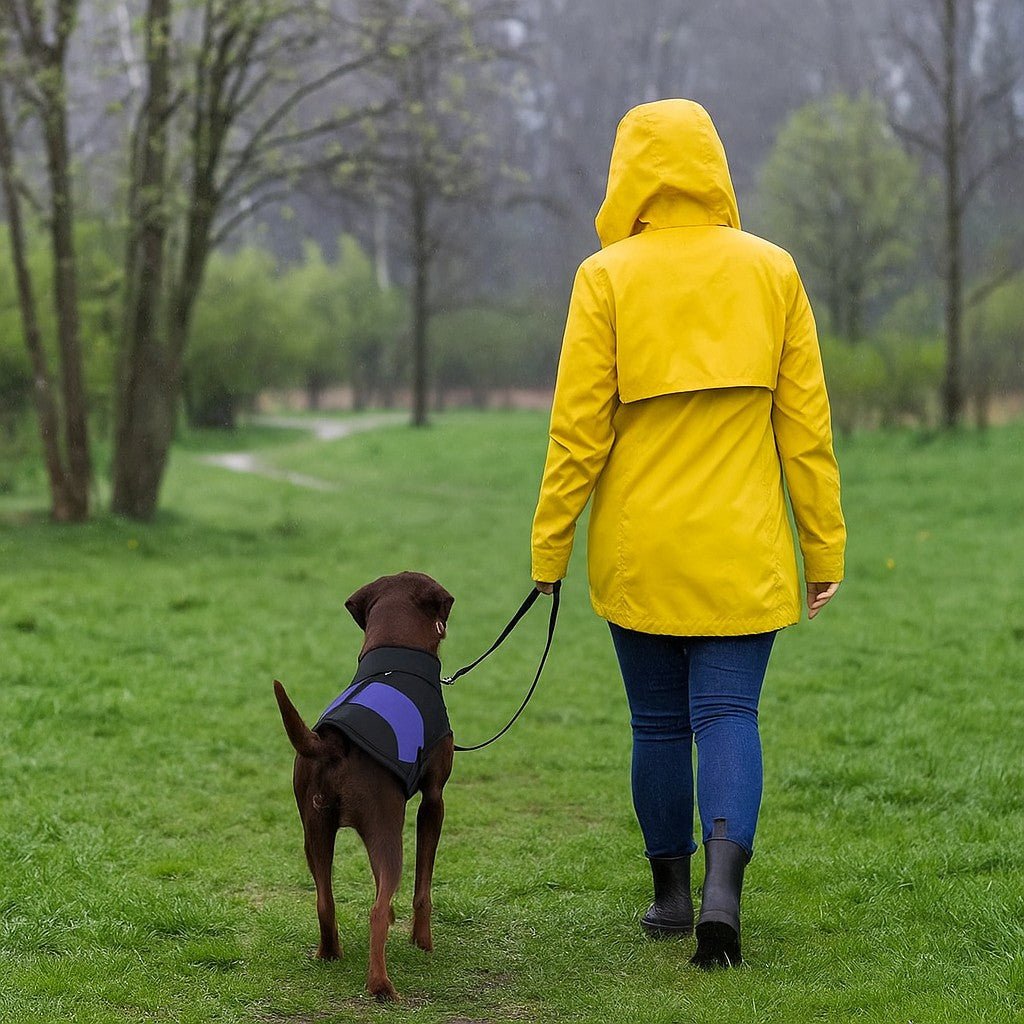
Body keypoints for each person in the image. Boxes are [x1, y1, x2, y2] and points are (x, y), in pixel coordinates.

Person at [530, 99, 846, 969]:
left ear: (627, 173)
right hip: (745, 548)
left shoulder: (606, 278)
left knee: (658, 725)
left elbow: (578, 432)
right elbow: (806, 431)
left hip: (643, 551)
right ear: (714, 166)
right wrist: (823, 548)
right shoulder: (773, 272)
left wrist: (549, 549)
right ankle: (723, 895)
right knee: (730, 714)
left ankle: (670, 896)